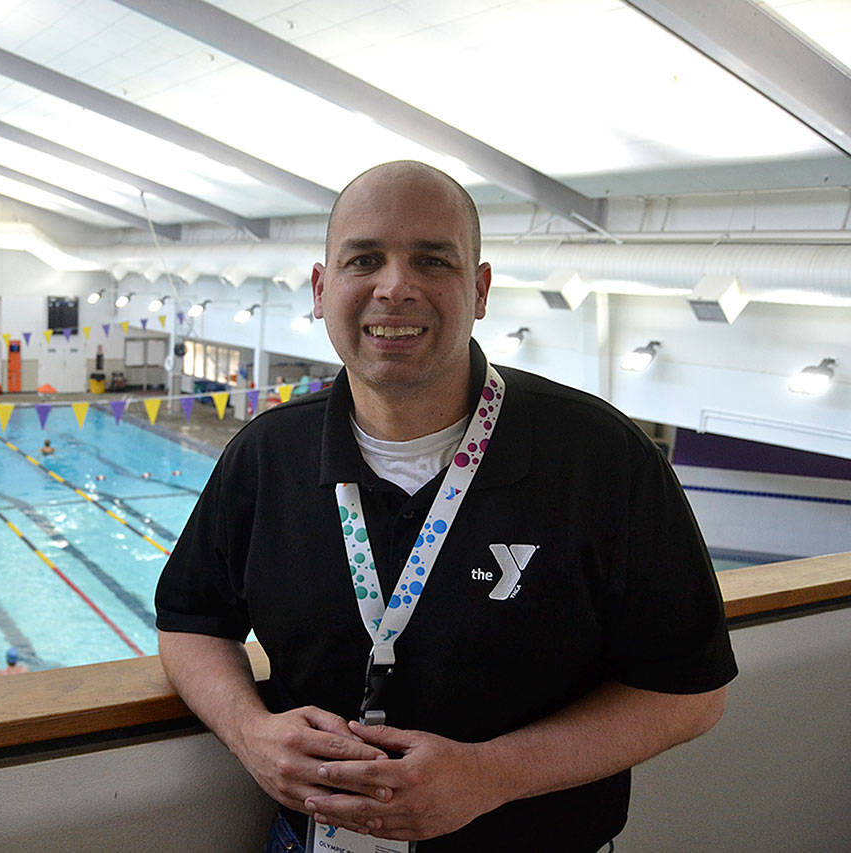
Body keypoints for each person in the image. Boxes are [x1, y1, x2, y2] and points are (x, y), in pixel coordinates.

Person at [154, 161, 736, 852]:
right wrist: (249, 731)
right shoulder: (267, 454)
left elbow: (690, 690)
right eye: (365, 258)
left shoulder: (599, 456)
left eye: (432, 260)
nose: (395, 287)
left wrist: (491, 774)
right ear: (320, 288)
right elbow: (190, 620)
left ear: (479, 288)